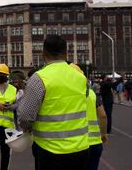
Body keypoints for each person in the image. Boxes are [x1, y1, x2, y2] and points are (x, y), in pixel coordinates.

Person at [18, 35, 89, 170]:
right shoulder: (80, 77)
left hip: (50, 151)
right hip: (81, 149)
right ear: (66, 53)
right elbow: (84, 98)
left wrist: (26, 126)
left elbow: (25, 116)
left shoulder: (39, 78)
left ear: (43, 53)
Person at [70, 64, 108, 170]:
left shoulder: (67, 96)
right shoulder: (92, 94)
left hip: (75, 143)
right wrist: (103, 134)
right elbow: (103, 116)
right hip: (94, 142)